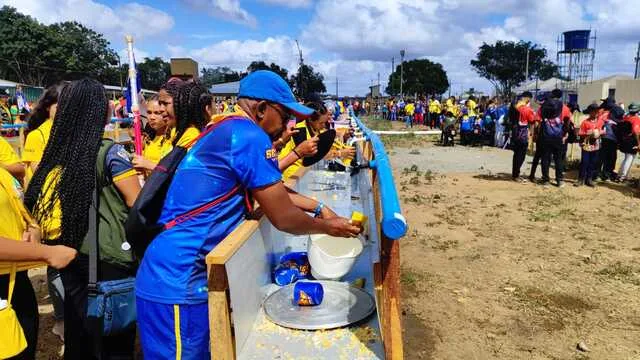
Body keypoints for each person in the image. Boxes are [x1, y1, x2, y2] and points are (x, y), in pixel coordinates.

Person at [135, 71, 361, 359]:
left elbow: (272, 192)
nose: (287, 126)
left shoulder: (229, 128)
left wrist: (319, 210)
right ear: (263, 109)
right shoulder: (248, 135)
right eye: (286, 115)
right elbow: (284, 217)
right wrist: (329, 228)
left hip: (182, 275)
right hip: (177, 279)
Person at [24, 79, 141, 359]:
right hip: (111, 255)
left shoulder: (57, 150)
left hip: (72, 250)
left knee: (80, 325)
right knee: (115, 331)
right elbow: (136, 202)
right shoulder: (110, 152)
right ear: (99, 111)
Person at [0, 167, 78, 360]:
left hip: (16, 279)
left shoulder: (2, 173)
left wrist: (33, 229)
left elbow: (21, 211)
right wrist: (47, 253)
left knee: (25, 346)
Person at [22, 83, 64, 185]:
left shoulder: (73, 132)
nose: (64, 111)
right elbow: (38, 173)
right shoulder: (36, 136)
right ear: (48, 107)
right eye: (59, 107)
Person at [538, 96, 566, 187]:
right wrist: (565, 134)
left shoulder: (542, 112)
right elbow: (567, 121)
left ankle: (546, 180)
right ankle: (559, 180)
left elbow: (537, 122)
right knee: (558, 159)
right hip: (558, 138)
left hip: (546, 138)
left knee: (545, 159)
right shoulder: (562, 111)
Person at [509, 91, 536, 182]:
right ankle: (516, 175)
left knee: (516, 154)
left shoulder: (514, 106)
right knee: (521, 155)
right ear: (528, 98)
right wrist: (531, 134)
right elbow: (532, 122)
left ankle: (515, 174)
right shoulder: (527, 109)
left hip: (514, 132)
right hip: (523, 133)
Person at [576, 104, 604, 187]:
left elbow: (603, 131)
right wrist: (588, 133)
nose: (595, 113)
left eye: (597, 111)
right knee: (584, 162)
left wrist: (600, 133)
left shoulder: (600, 121)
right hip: (586, 145)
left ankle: (589, 179)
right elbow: (580, 133)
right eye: (593, 111)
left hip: (596, 145)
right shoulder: (585, 122)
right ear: (590, 112)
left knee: (593, 162)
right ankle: (581, 179)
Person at [617, 102, 640, 181]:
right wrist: (639, 143)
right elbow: (636, 132)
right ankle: (623, 177)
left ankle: (620, 175)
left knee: (626, 158)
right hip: (631, 141)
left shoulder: (626, 117)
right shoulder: (636, 119)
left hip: (624, 140)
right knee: (630, 158)